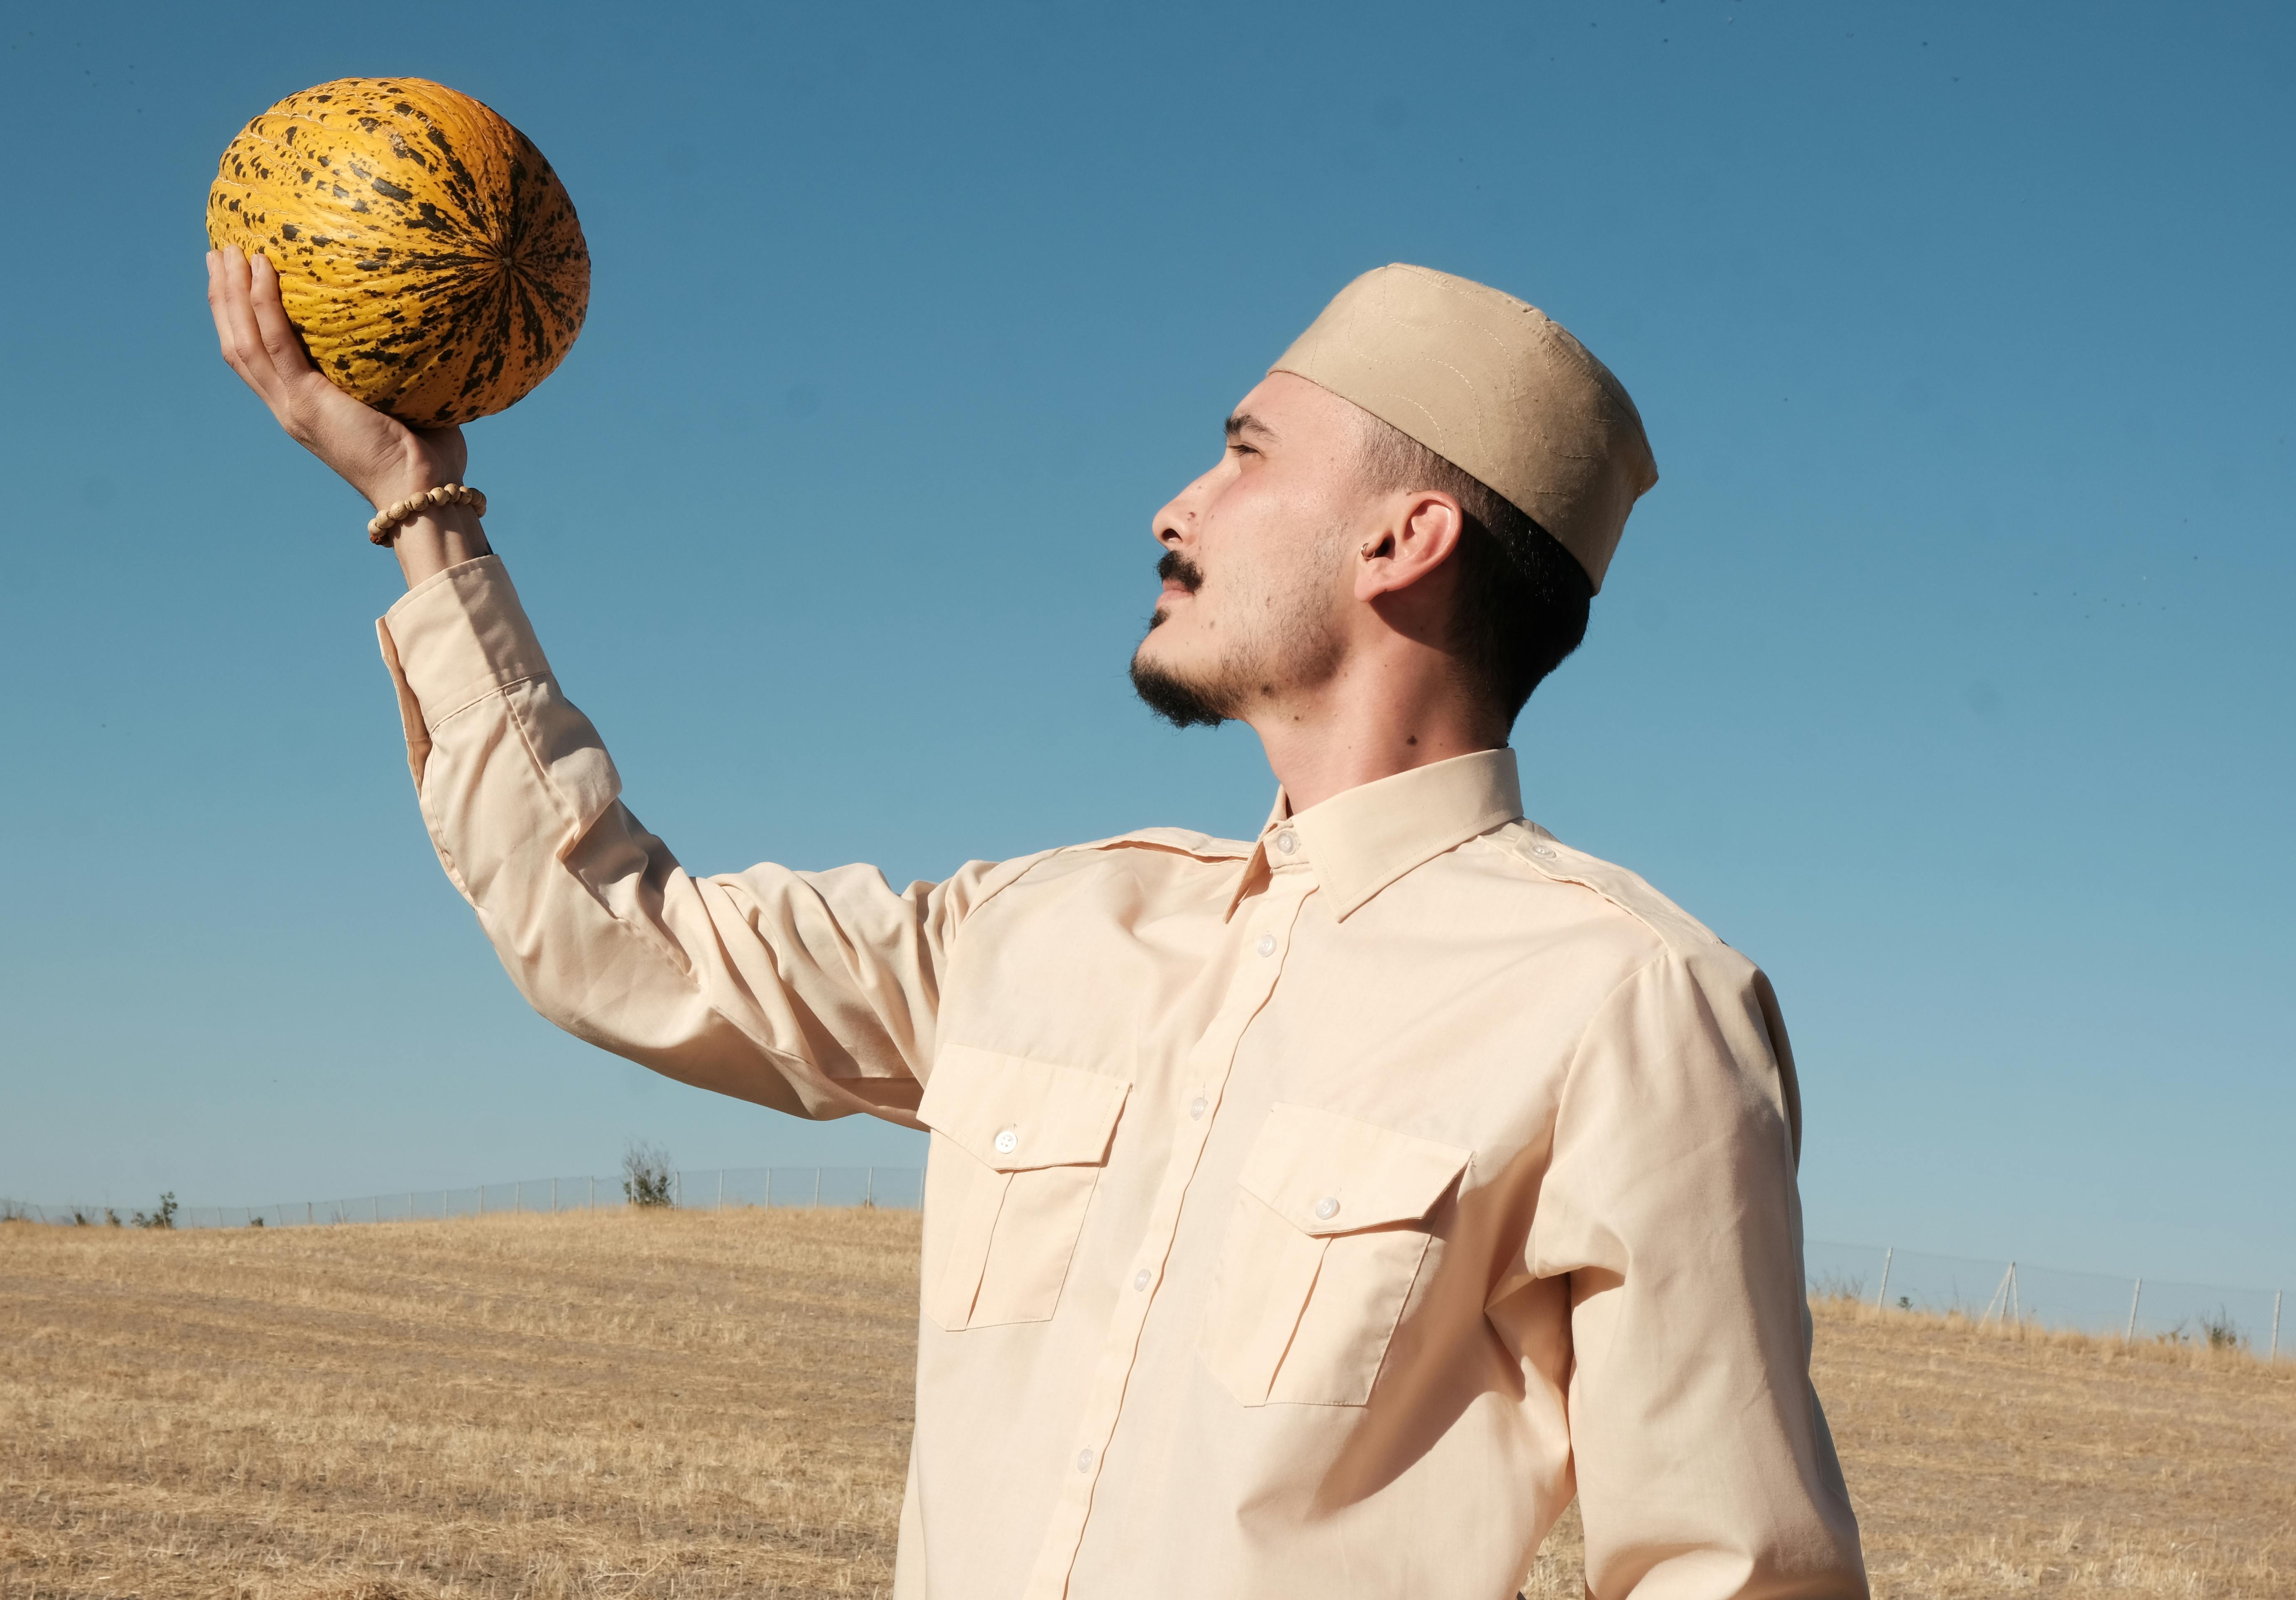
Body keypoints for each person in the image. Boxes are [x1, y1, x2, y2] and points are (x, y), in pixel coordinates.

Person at [205, 251, 1869, 1600]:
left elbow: (1733, 1574)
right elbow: (620, 934)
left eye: (1246, 452)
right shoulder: (1049, 924)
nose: (1177, 503)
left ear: (1404, 536)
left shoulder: (1626, 1000)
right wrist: (425, 511)